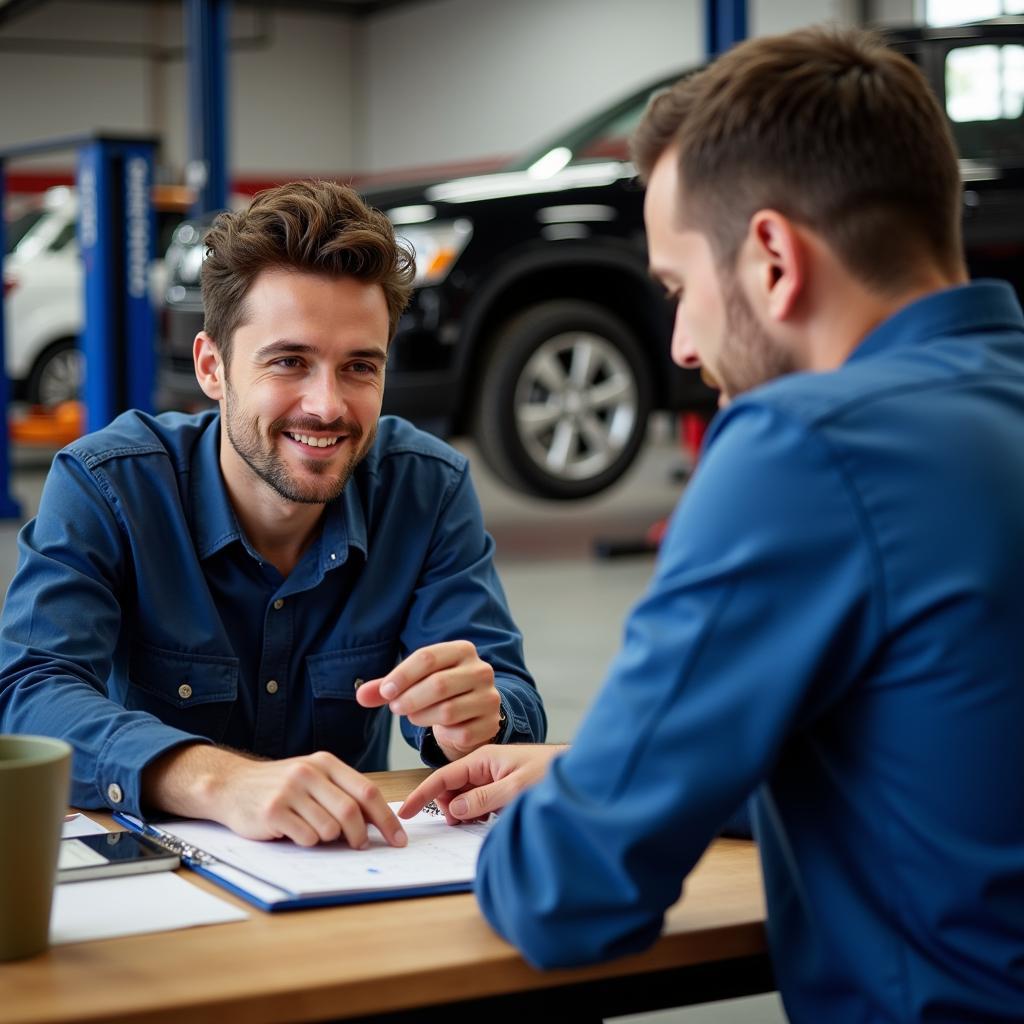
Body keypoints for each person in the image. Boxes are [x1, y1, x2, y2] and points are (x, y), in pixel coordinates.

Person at [401, 26, 1024, 1020]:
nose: (682, 347)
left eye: (680, 290)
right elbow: (936, 763)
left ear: (773, 257)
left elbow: (573, 891)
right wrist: (589, 769)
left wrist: (584, 801)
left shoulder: (805, 446)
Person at [0, 180, 545, 850]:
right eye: (289, 362)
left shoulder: (425, 487)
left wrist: (477, 722)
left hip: (347, 877)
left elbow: (503, 689)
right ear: (212, 367)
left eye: (359, 368)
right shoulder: (109, 487)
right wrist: (214, 781)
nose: (327, 405)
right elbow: (28, 695)